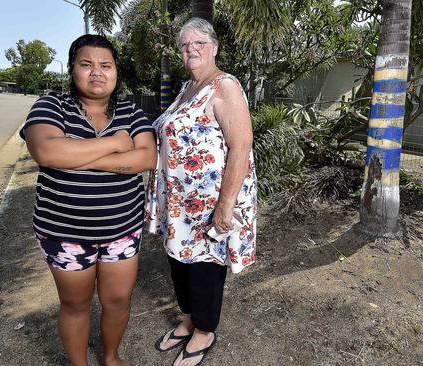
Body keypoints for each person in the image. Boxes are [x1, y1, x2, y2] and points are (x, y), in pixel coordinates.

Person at [20, 34, 156, 366]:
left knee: (118, 300)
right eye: (86, 64)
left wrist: (76, 155)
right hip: (64, 235)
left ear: (116, 73)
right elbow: (46, 150)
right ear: (72, 70)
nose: (97, 72)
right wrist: (115, 143)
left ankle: (110, 357)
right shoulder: (52, 104)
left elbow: (147, 158)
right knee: (75, 305)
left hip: (122, 232)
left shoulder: (130, 111)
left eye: (105, 65)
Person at [145, 17, 258, 366]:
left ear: (214, 48)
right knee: (178, 260)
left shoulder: (225, 86)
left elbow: (241, 146)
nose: (192, 49)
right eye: (185, 45)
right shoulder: (187, 88)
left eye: (200, 43)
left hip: (210, 201)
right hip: (179, 201)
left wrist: (225, 207)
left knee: (205, 266)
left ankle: (205, 331)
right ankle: (189, 320)